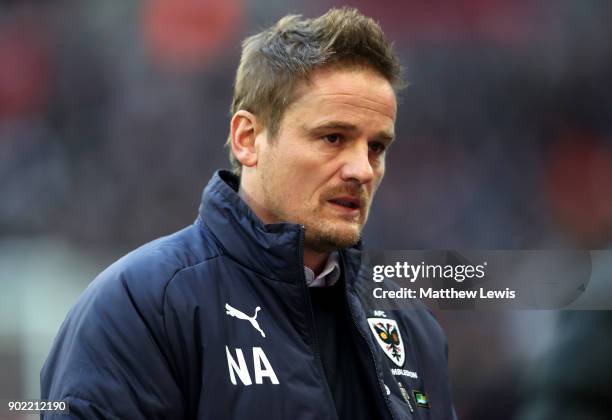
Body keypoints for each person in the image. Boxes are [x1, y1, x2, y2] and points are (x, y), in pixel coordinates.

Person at [41, 8, 457, 419]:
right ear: (248, 138)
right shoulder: (141, 307)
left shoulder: (411, 326)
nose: (362, 169)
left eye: (376, 147)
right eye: (333, 137)